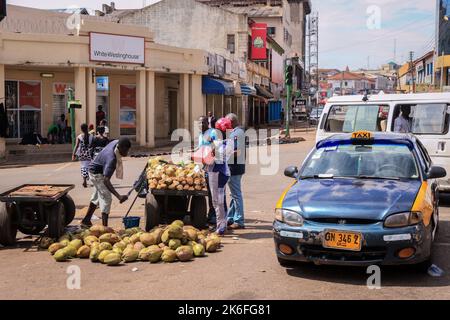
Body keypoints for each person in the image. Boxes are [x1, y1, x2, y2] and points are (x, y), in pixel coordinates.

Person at [80, 138, 131, 227]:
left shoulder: (116, 142)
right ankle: (104, 228)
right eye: (126, 150)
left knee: (96, 196)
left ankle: (86, 220)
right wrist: (119, 196)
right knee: (107, 198)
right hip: (96, 174)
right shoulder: (112, 159)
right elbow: (106, 180)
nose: (127, 152)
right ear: (120, 147)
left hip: (96, 169)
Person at [209, 118, 234, 235]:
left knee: (217, 201)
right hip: (221, 173)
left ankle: (221, 227)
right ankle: (222, 224)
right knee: (220, 200)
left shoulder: (226, 144)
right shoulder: (225, 141)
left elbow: (216, 158)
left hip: (218, 173)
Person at [226, 113, 246, 229]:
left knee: (236, 195)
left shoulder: (237, 133)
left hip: (235, 168)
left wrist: (222, 155)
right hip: (234, 167)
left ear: (232, 122)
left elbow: (237, 152)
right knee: (233, 194)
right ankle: (230, 217)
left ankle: (239, 220)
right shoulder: (235, 132)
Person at [198, 116, 218, 226]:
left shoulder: (213, 132)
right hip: (205, 166)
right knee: (209, 192)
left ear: (207, 123)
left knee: (213, 192)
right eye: (199, 123)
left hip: (213, 166)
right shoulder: (200, 135)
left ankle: (214, 215)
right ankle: (210, 213)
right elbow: (200, 149)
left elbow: (217, 147)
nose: (201, 125)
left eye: (203, 123)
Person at [72, 123, 94, 188]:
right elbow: (93, 145)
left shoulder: (79, 137)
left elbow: (76, 146)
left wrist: (73, 154)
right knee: (89, 166)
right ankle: (89, 178)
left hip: (82, 154)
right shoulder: (91, 136)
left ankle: (84, 180)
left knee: (83, 167)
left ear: (81, 129)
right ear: (87, 128)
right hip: (89, 153)